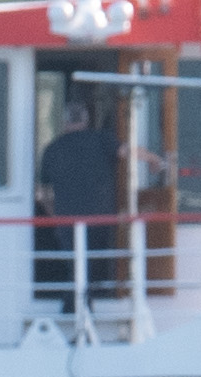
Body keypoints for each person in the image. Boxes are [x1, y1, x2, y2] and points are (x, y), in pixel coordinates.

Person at [30, 83, 128, 314]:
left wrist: (55, 215)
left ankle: (76, 312)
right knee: (88, 268)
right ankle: (82, 313)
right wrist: (155, 160)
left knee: (77, 267)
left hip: (67, 222)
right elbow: (127, 153)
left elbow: (42, 193)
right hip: (100, 221)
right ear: (86, 120)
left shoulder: (52, 149)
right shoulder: (102, 141)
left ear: (64, 123)